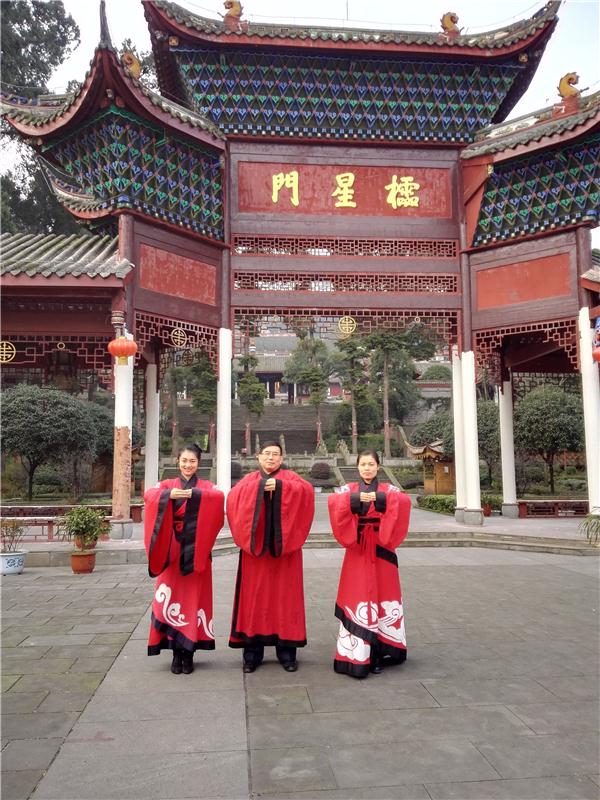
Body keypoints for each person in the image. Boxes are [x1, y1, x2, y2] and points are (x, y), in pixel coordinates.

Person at [227, 441, 314, 673]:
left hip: (285, 552)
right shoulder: (249, 481)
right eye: (266, 454)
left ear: (282, 458)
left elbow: (306, 494)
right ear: (258, 456)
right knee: (253, 600)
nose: (271, 458)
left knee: (286, 600)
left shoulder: (292, 479)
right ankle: (252, 654)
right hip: (256, 552)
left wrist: (282, 487)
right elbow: (233, 499)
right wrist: (258, 489)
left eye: (276, 454)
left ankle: (287, 653)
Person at [327, 449, 411, 679]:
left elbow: (404, 501)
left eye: (371, 464)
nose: (367, 468)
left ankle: (379, 651)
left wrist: (379, 498)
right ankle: (357, 652)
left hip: (382, 547)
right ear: (358, 467)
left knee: (384, 595)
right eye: (363, 464)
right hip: (358, 548)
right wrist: (354, 500)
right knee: (357, 595)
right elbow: (333, 501)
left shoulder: (388, 490)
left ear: (378, 467)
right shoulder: (348, 490)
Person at [144, 443, 224, 675]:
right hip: (171, 550)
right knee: (170, 598)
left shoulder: (206, 486)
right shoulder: (167, 485)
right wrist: (168, 495)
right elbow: (149, 495)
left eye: (192, 461)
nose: (188, 465)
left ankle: (188, 653)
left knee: (193, 600)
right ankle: (175, 653)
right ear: (177, 462)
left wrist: (195, 495)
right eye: (184, 461)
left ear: (199, 463)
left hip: (197, 551)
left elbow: (218, 497)